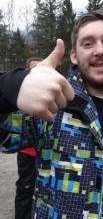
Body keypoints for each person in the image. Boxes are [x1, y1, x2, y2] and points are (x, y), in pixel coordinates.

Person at [0, 8, 103, 219]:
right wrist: (13, 86)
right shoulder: (54, 107)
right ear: (74, 55)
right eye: (88, 43)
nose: (100, 50)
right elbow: (4, 136)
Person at [15, 57, 42, 219]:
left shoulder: (53, 92)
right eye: (34, 70)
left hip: (47, 154)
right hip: (27, 152)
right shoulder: (20, 94)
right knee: (26, 190)